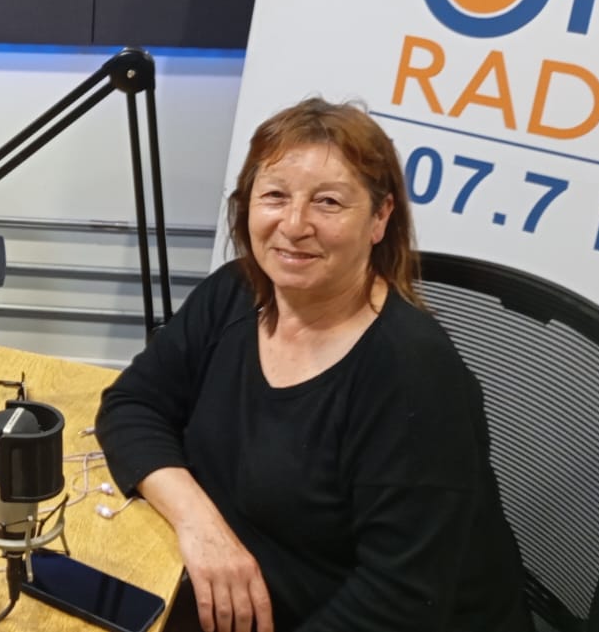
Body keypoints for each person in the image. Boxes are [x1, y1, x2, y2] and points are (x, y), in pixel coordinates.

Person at [95, 98, 531, 632]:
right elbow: (133, 404)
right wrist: (200, 524)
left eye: (328, 202)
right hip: (233, 596)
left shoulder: (413, 374)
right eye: (275, 195)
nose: (295, 224)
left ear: (380, 218)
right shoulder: (235, 293)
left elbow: (398, 604)